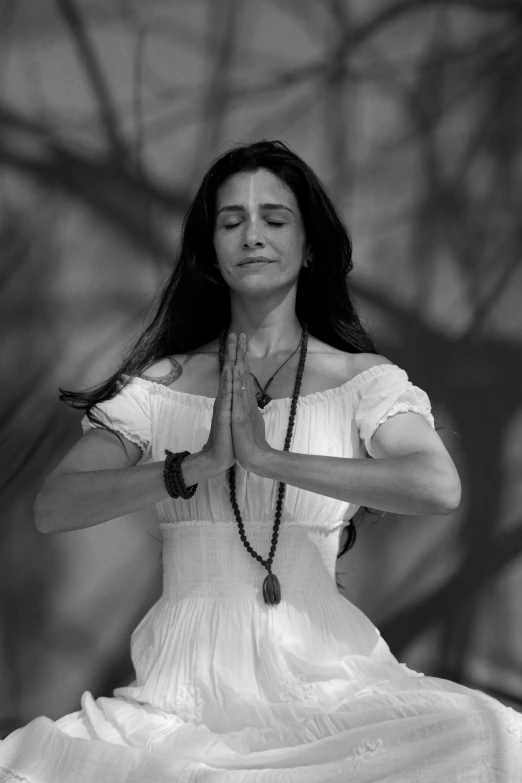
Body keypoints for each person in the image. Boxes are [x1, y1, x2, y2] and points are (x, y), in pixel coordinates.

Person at [1, 140, 520, 782]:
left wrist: (270, 460)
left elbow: (436, 486)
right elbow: (54, 507)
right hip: (182, 687)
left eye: (274, 219)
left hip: (330, 674)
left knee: (487, 735)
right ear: (212, 252)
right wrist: (196, 465)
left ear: (308, 247)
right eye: (231, 222)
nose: (252, 236)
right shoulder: (161, 383)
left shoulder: (362, 379)